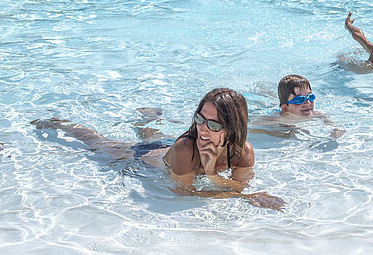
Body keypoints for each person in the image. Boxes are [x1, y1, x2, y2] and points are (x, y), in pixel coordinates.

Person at [33, 88, 284, 210]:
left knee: (152, 136)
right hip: (142, 158)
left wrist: (222, 182)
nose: (202, 129)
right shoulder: (187, 148)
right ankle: (61, 125)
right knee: (95, 142)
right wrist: (236, 193)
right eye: (199, 119)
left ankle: (146, 121)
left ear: (232, 127)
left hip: (164, 148)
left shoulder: (243, 152)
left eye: (213, 124)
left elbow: (241, 185)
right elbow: (182, 193)